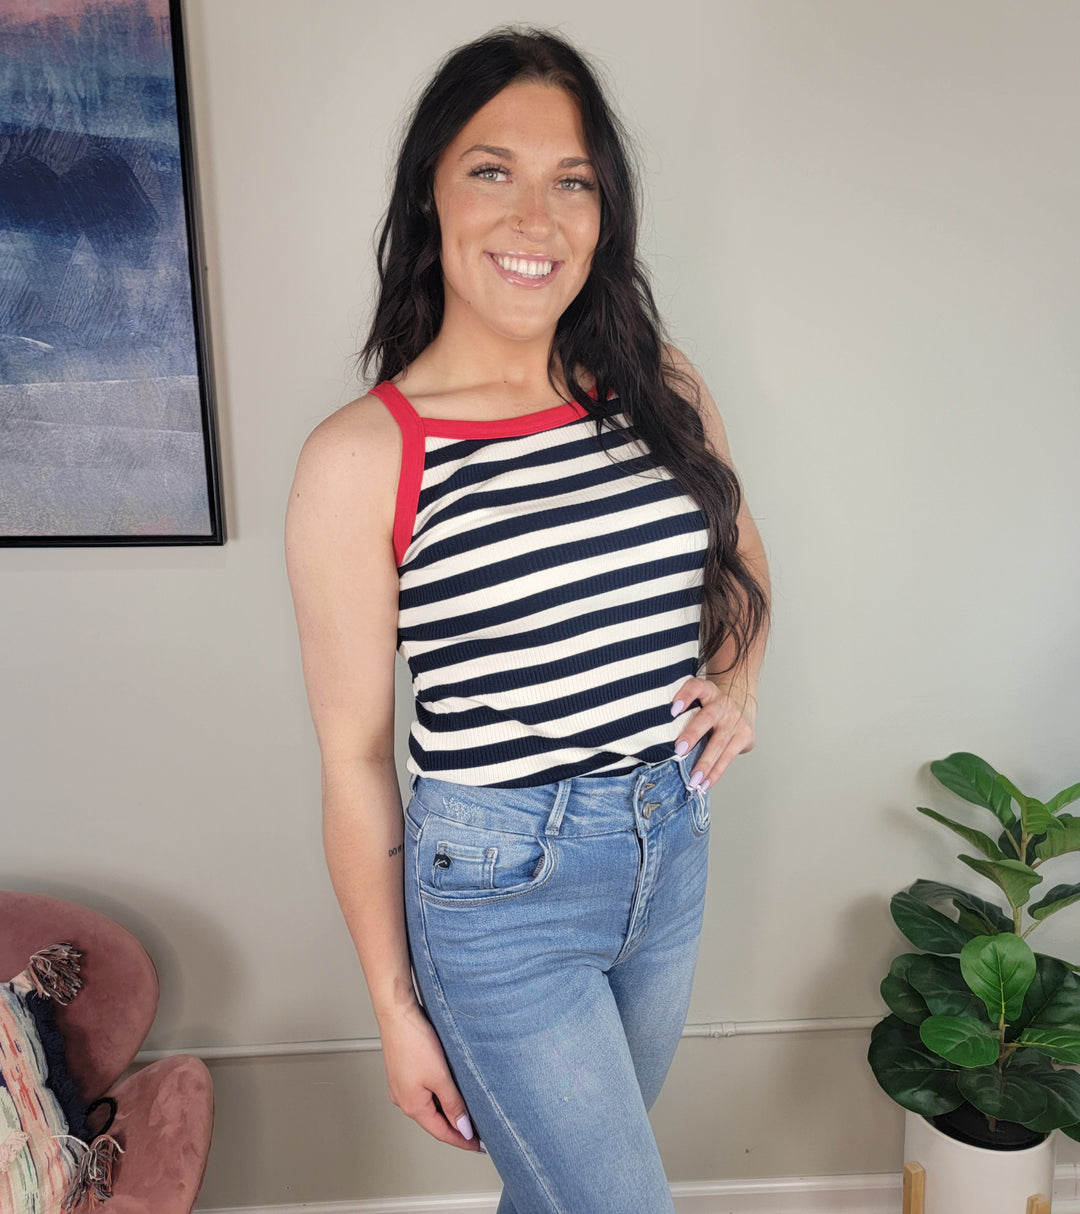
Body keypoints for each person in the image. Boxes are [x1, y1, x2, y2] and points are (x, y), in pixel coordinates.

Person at [285, 27, 769, 1214]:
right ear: (431, 194)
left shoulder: (659, 382)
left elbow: (742, 557)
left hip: (670, 847)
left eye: (574, 181)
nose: (535, 217)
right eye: (492, 170)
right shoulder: (365, 456)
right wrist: (397, 1009)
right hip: (498, 889)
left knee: (563, 1195)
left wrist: (738, 683)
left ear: (605, 212)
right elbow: (353, 760)